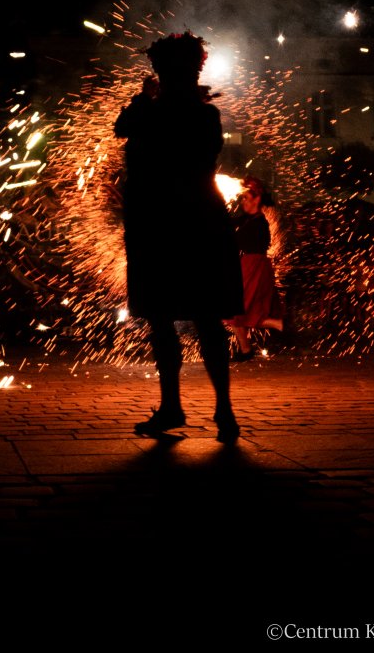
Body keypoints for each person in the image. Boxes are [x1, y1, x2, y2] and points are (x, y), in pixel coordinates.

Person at [114, 32, 244, 443]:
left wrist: (143, 99)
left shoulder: (153, 112)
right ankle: (222, 411)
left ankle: (177, 406)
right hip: (200, 220)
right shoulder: (204, 114)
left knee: (164, 319)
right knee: (204, 319)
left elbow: (123, 129)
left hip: (162, 223)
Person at [225, 177, 286, 360]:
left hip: (254, 267)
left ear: (256, 199)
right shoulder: (246, 220)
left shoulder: (259, 223)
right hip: (248, 265)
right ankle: (246, 350)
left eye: (246, 198)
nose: (242, 201)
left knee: (236, 312)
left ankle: (279, 324)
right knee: (234, 313)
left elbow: (240, 241)